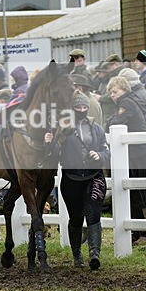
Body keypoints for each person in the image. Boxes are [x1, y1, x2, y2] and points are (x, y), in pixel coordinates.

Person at [46, 93, 110, 270]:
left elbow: (106, 150)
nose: (82, 110)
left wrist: (99, 155)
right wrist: (49, 143)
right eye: (78, 108)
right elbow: (53, 155)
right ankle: (76, 255)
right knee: (75, 217)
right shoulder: (62, 129)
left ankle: (94, 254)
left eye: (84, 107)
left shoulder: (96, 128)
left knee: (93, 212)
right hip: (71, 178)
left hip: (94, 176)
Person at [107, 77, 146, 250]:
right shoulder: (131, 101)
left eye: (115, 92)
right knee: (144, 195)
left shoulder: (127, 102)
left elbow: (116, 122)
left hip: (144, 154)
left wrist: (110, 121)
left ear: (124, 90)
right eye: (110, 92)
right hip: (140, 154)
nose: (112, 95)